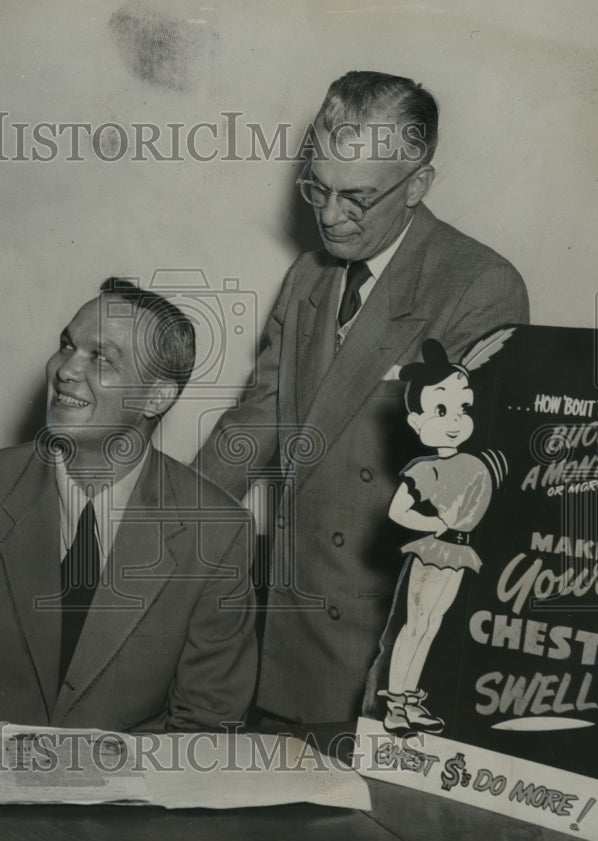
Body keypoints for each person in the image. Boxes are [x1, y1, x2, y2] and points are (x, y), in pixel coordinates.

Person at [195, 71, 530, 725]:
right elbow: (254, 420)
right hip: (285, 638)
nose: (328, 216)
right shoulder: (308, 277)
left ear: (418, 186)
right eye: (317, 188)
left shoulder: (478, 288)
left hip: (378, 656)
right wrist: (161, 522)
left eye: (357, 198)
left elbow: (463, 497)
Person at [0, 279, 257, 732]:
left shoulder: (219, 532)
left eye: (101, 357)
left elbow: (208, 727)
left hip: (137, 796)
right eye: (67, 346)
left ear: (156, 397)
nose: (66, 370)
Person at [380, 336, 508, 734]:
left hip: (459, 552)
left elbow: (476, 505)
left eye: (462, 408)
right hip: (434, 552)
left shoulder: (472, 463)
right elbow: (396, 510)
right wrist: (434, 524)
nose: (454, 420)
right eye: (441, 409)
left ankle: (410, 699)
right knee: (415, 624)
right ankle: (394, 705)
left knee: (432, 626)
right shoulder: (425, 469)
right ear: (418, 422)